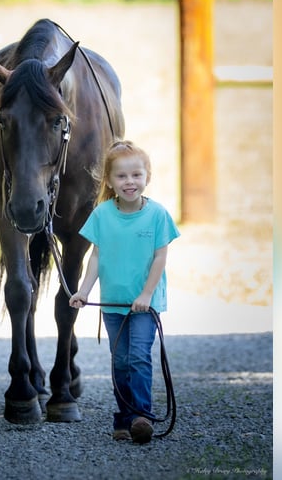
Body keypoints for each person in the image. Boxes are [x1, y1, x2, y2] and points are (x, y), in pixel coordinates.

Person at [69, 140, 180, 443]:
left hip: (145, 304)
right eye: (121, 176)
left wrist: (146, 295)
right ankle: (124, 417)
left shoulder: (157, 215)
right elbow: (95, 256)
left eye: (136, 175)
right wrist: (83, 291)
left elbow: (160, 257)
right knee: (119, 361)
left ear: (147, 177)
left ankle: (142, 416)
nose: (129, 182)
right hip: (112, 304)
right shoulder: (102, 215)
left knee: (138, 357)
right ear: (108, 181)